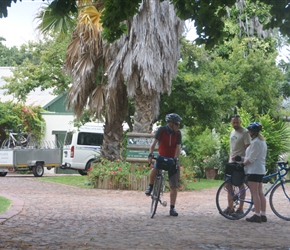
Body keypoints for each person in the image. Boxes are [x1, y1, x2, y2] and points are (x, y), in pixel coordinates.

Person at [145, 113, 182, 217]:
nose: (178, 126)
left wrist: (176, 159)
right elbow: (153, 144)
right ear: (170, 124)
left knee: (174, 185)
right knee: (154, 169)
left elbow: (178, 148)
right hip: (162, 157)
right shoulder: (161, 130)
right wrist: (150, 154)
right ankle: (150, 186)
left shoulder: (178, 134)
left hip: (172, 159)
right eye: (176, 124)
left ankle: (172, 208)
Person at [224, 114, 251, 215]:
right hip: (231, 162)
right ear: (231, 122)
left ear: (240, 122)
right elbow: (232, 149)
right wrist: (229, 160)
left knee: (240, 184)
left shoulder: (245, 133)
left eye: (237, 122)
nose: (235, 124)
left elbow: (248, 148)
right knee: (228, 184)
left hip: (240, 163)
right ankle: (230, 207)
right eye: (233, 122)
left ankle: (240, 208)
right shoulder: (232, 132)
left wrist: (244, 161)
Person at [242, 122, 267, 223]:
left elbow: (251, 159)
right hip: (260, 170)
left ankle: (257, 214)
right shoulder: (262, 141)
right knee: (260, 193)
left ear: (253, 132)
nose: (249, 132)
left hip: (254, 170)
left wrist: (242, 164)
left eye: (250, 131)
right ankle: (263, 214)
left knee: (255, 193)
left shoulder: (256, 142)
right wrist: (243, 159)